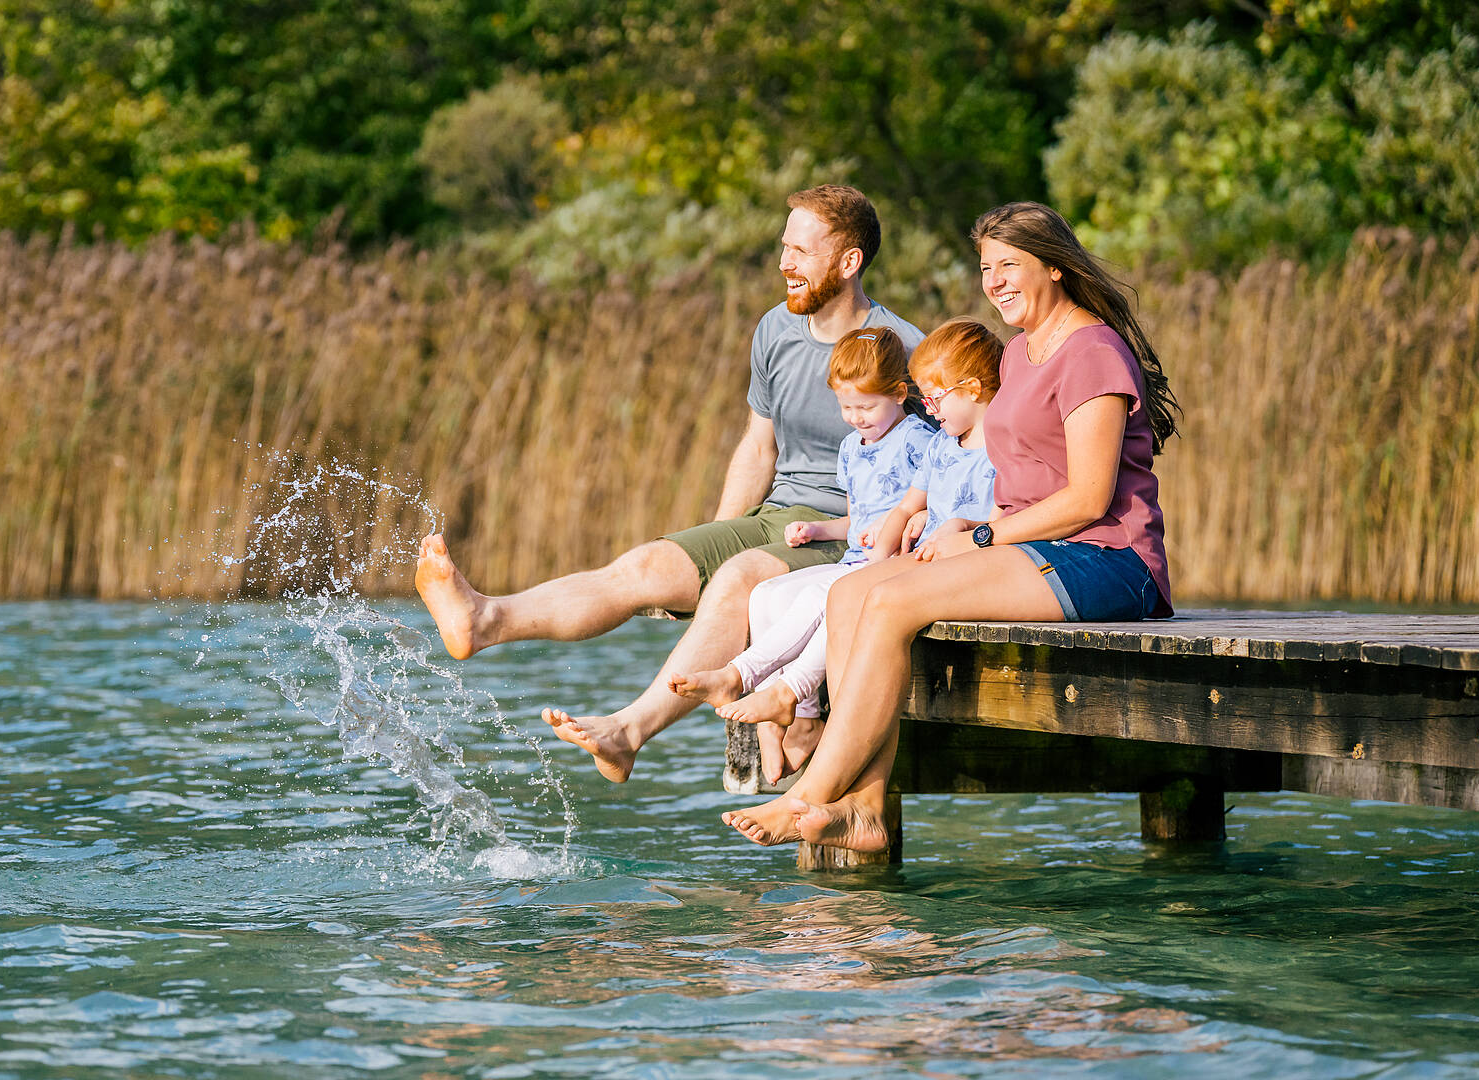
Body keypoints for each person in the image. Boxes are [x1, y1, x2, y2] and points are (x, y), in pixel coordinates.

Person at [414, 184, 926, 782]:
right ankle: (484, 621)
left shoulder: (903, 350)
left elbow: (938, 463)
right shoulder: (774, 332)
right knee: (646, 566)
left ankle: (628, 731)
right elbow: (758, 447)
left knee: (736, 581)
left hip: (848, 534)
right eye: (783, 247)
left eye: (801, 252)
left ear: (848, 261)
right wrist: (711, 539)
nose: (784, 263)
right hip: (774, 517)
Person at [720, 200, 1181, 849]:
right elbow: (1004, 472)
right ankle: (867, 809)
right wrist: (950, 525)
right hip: (1029, 545)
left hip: (1105, 560)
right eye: (986, 267)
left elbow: (1087, 498)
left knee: (888, 603)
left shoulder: (1092, 351)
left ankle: (808, 796)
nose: (993, 281)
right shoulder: (1019, 354)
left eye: (1008, 264)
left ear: (1052, 266)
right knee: (854, 592)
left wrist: (983, 539)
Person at [671, 318, 1002, 785]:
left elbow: (1000, 516)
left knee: (831, 598)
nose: (855, 416)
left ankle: (769, 689)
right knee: (769, 595)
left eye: (935, 399)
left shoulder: (952, 442)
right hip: (897, 563)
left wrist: (936, 531)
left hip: (949, 571)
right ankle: (784, 706)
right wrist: (849, 541)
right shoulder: (938, 445)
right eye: (847, 406)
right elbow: (893, 511)